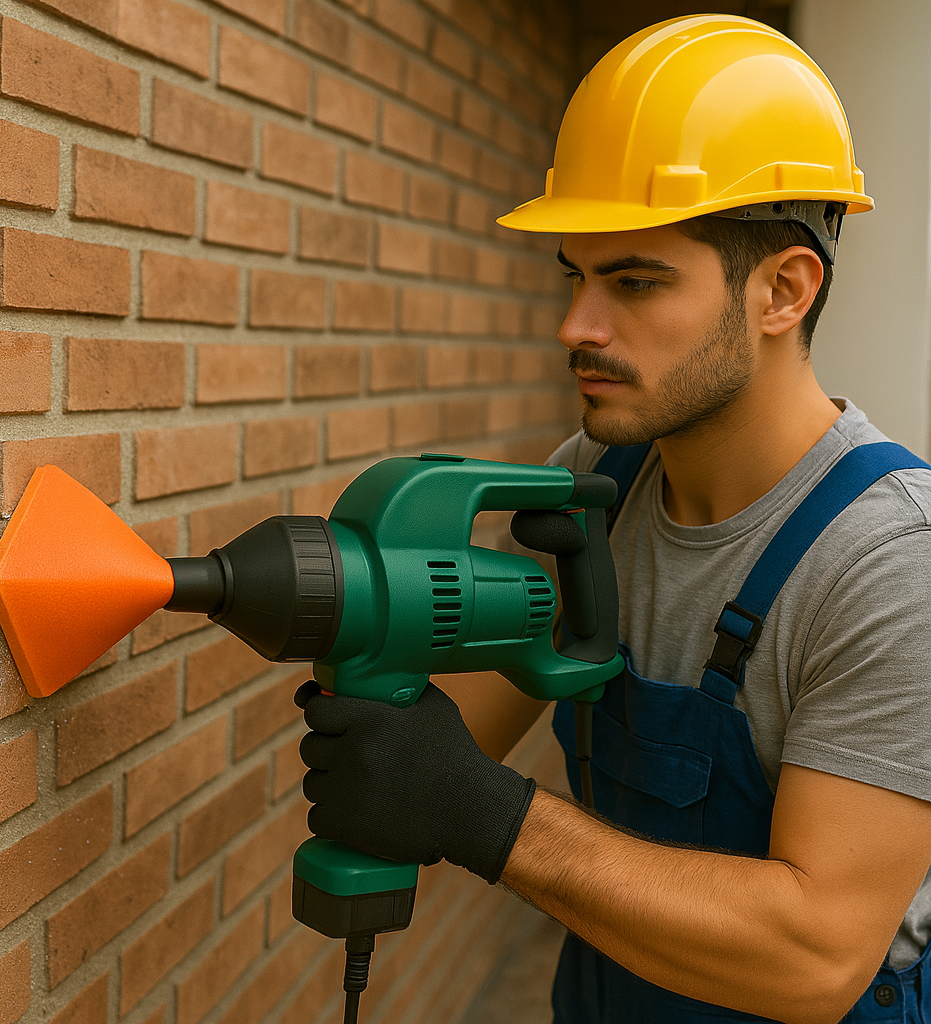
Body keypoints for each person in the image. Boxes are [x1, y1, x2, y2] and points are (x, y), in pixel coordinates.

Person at [295, 15, 931, 1024]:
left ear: (782, 289)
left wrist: (484, 815)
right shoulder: (596, 482)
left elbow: (814, 956)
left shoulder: (890, 561)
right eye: (576, 275)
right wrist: (362, 640)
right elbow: (463, 725)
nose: (576, 327)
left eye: (633, 281)